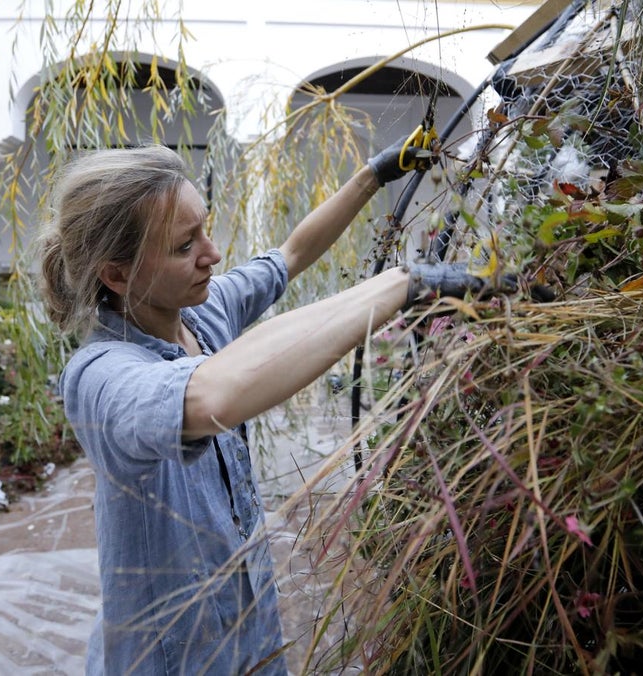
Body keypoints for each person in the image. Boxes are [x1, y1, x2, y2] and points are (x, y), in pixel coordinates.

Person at [38, 141, 506, 675]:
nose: (211, 254)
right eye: (184, 245)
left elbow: (292, 254)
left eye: (204, 230)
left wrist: (375, 173)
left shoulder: (200, 315)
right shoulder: (99, 376)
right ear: (116, 275)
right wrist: (399, 285)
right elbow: (214, 396)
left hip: (251, 643)